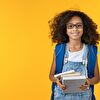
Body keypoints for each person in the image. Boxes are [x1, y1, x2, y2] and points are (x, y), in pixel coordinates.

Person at [49, 10, 100, 100]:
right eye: (70, 26)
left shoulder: (92, 50)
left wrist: (88, 81)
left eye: (79, 25)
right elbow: (51, 76)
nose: (75, 29)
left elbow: (97, 78)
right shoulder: (59, 49)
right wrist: (57, 81)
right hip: (61, 96)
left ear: (85, 28)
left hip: (84, 96)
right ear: (65, 29)